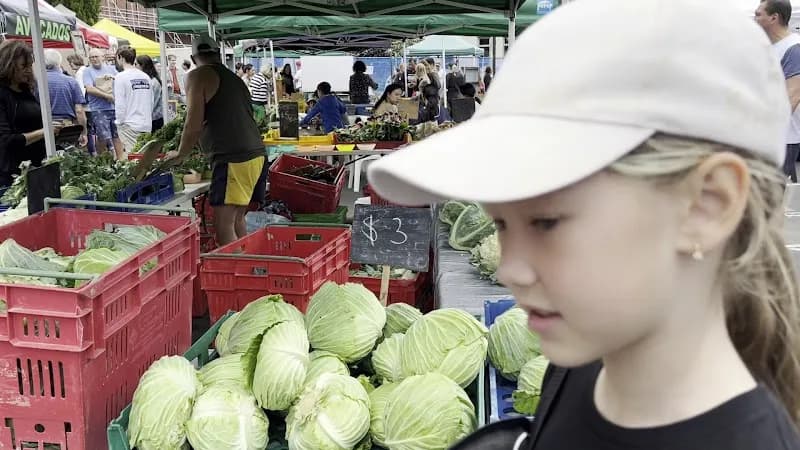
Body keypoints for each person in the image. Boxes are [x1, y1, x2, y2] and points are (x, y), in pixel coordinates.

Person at [369, 1, 800, 450]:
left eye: (547, 223)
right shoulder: (587, 360)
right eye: (501, 223)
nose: (509, 270)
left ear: (706, 206)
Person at [165, 34, 266, 247]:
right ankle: (246, 269)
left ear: (193, 59)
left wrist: (180, 154)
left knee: (223, 228)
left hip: (232, 158)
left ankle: (236, 277)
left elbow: (192, 124)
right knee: (237, 219)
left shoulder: (197, 76)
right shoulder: (235, 79)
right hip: (255, 155)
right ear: (218, 55)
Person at [0, 42, 60, 186]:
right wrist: (44, 131)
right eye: (23, 66)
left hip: (36, 167)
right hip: (13, 175)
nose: (28, 70)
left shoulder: (26, 91)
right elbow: (6, 141)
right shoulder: (2, 95)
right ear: (8, 65)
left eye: (30, 65)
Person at [755, 0, 800, 182]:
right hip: (768, 136)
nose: (755, 18)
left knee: (774, 195)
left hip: (783, 138)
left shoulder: (793, 49)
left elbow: (793, 95)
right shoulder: (770, 48)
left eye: (759, 14)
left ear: (774, 18)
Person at [84, 48, 123, 157]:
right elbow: (89, 89)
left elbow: (120, 83)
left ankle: (121, 160)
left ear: (103, 57)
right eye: (91, 57)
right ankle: (102, 161)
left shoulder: (112, 69)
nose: (94, 59)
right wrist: (107, 96)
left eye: (96, 56)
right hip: (99, 109)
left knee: (117, 135)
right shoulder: (87, 71)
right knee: (103, 137)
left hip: (114, 107)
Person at [43, 50, 87, 147]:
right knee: (68, 158)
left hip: (43, 126)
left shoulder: (37, 82)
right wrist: (83, 132)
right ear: (59, 62)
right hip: (66, 127)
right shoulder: (70, 81)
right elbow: (79, 110)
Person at [113, 48, 152, 154]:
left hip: (129, 124)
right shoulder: (145, 77)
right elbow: (151, 101)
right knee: (144, 157)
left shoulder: (120, 77)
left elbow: (120, 103)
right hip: (146, 123)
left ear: (120, 57)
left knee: (133, 158)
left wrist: (119, 122)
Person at [135, 55, 163, 133]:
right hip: (149, 118)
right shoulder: (146, 80)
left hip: (155, 119)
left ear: (142, 66)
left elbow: (153, 102)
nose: (134, 67)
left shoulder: (153, 82)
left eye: (136, 64)